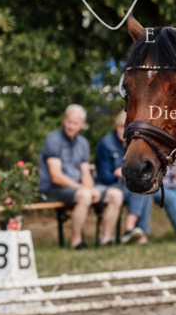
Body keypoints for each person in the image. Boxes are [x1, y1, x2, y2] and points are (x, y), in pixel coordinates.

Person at [38, 104, 123, 249]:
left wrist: (91, 189)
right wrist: (85, 189)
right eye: (69, 122)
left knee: (116, 194)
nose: (71, 126)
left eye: (75, 123)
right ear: (64, 120)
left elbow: (85, 173)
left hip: (76, 188)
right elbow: (56, 176)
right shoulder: (53, 139)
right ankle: (76, 242)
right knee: (84, 195)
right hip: (53, 189)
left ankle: (106, 239)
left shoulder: (83, 143)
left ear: (82, 124)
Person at [96, 111, 152, 244]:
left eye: (127, 128)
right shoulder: (106, 144)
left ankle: (134, 230)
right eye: (121, 127)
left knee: (145, 191)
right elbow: (104, 176)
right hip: (108, 186)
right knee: (139, 191)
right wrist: (119, 173)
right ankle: (134, 232)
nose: (124, 131)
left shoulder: (132, 144)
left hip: (125, 187)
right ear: (116, 126)